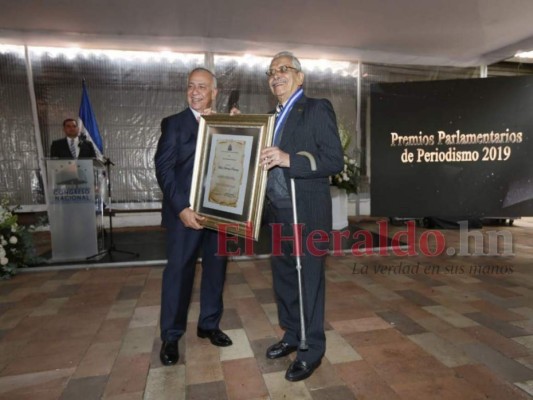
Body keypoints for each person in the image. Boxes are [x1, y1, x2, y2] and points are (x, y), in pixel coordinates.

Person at [260, 51, 344, 381]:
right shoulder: (269, 118)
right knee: (284, 279)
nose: (276, 75)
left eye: (284, 69)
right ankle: (293, 335)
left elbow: (334, 160)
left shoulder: (316, 108)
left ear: (300, 76)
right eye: (271, 71)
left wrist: (288, 158)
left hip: (306, 211)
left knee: (307, 281)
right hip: (277, 212)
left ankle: (311, 350)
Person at [154, 67, 233, 366]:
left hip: (221, 213)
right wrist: (182, 209)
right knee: (178, 273)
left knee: (216, 271)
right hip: (184, 215)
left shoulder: (227, 123)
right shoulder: (174, 124)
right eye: (191, 86)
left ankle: (208, 325)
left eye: (202, 86)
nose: (195, 91)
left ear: (215, 92)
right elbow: (163, 170)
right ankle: (171, 336)